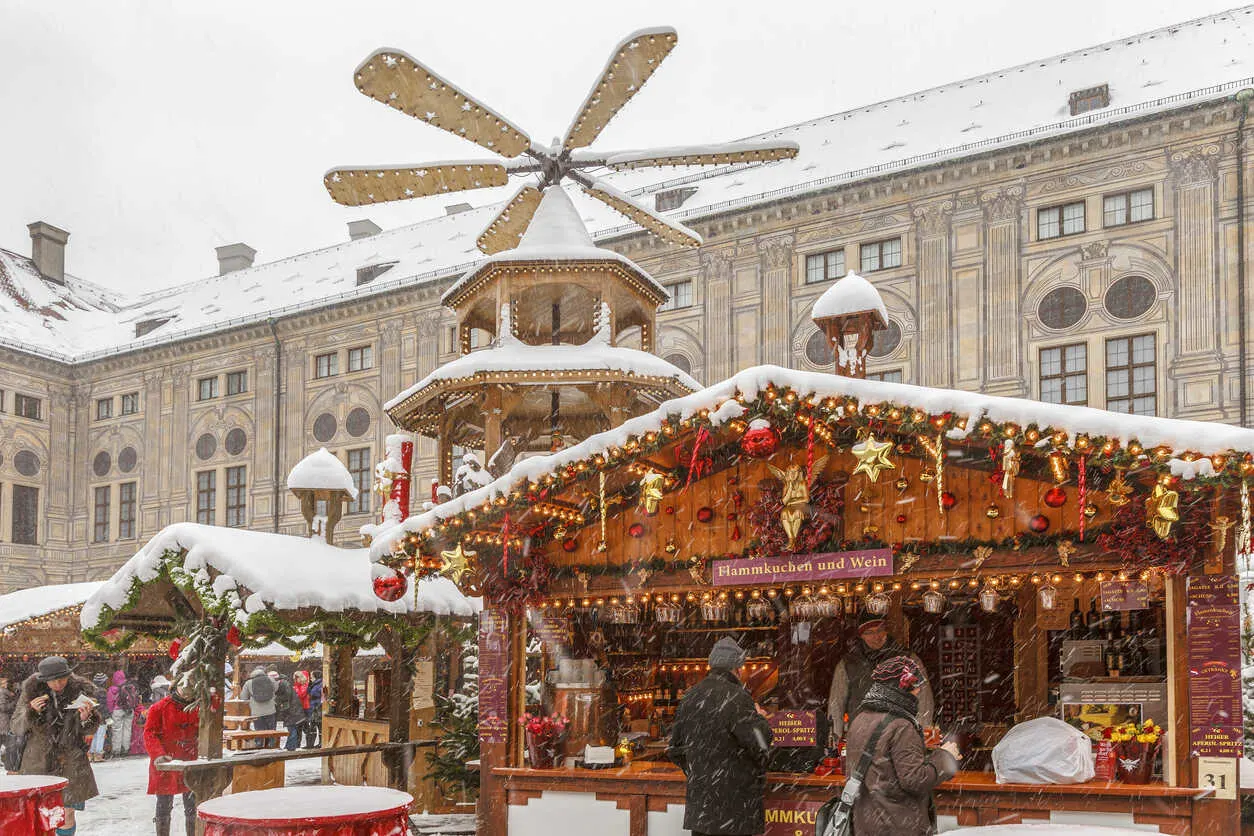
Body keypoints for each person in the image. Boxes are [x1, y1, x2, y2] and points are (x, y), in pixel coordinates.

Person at [668, 637, 773, 836]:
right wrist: (761, 718)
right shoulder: (737, 697)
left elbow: (675, 749)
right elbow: (761, 743)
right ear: (737, 668)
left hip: (702, 811)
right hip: (734, 811)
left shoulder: (690, 697)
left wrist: (700, 773)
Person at [844, 657, 961, 835]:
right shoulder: (901, 725)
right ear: (901, 689)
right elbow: (915, 779)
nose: (919, 690)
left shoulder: (859, 719)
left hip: (864, 825)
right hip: (897, 826)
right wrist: (945, 757)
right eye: (915, 686)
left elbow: (880, 768)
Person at [17, 656, 102, 836]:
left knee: (66, 813)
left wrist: (87, 719)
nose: (58, 684)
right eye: (53, 680)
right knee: (41, 812)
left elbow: (91, 727)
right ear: (44, 680)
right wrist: (31, 712)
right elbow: (15, 726)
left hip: (71, 759)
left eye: (62, 679)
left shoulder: (80, 691)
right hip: (39, 760)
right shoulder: (31, 693)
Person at [828, 611, 934, 743]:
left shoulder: (908, 659)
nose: (876, 636)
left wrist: (922, 736)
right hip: (861, 739)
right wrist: (834, 740)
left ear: (886, 631)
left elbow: (924, 701)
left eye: (880, 630)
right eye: (869, 632)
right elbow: (836, 704)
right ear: (861, 635)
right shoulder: (847, 664)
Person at [144, 680, 199, 836]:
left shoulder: (198, 706)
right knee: (163, 805)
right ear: (177, 688)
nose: (188, 692)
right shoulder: (159, 708)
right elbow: (150, 733)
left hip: (190, 762)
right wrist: (158, 754)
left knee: (192, 805)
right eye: (185, 687)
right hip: (167, 762)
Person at [106, 669, 141, 756]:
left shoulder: (113, 689)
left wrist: (111, 711)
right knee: (127, 729)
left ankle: (116, 750)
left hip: (117, 711)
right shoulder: (130, 687)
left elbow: (110, 702)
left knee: (117, 730)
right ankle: (125, 749)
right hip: (129, 710)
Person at [283, 671, 309, 751]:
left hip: (304, 707)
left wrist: (296, 690)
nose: (294, 680)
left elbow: (301, 694)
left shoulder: (304, 685)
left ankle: (295, 744)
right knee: (296, 728)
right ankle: (295, 744)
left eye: (295, 678)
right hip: (298, 708)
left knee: (298, 728)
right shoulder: (295, 686)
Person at [87, 673, 109, 762]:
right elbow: (103, 706)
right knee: (101, 735)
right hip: (101, 716)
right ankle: (98, 754)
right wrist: (106, 716)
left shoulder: (93, 691)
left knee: (95, 734)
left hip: (94, 715)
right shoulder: (102, 691)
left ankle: (91, 753)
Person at [0, 674, 19, 770]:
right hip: (4, 723)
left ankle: (9, 765)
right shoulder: (3, 693)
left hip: (7, 722)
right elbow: (3, 708)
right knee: (10, 745)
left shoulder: (8, 693)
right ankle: (9, 765)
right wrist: (15, 702)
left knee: (10, 745)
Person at [303, 670, 323, 749]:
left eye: (311, 676)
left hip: (317, 708)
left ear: (315, 676)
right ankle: (310, 744)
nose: (310, 678)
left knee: (318, 726)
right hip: (313, 707)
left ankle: (320, 743)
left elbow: (320, 696)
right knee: (312, 726)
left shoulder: (320, 684)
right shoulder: (314, 684)